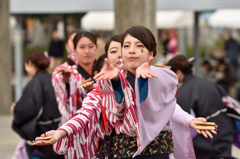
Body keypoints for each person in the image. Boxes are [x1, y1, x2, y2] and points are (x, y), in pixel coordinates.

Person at [34, 27, 216, 159]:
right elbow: (84, 113)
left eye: (138, 46)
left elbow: (169, 107)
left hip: (156, 151)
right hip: (120, 151)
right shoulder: (104, 84)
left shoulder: (158, 75)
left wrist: (190, 120)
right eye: (122, 47)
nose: (129, 51)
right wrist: (61, 132)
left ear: (151, 51)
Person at [167, 55, 235, 159]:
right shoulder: (210, 83)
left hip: (206, 140)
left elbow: (183, 124)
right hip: (225, 131)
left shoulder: (183, 92)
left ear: (179, 73)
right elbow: (229, 103)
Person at [12, 50, 64, 159]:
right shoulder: (53, 78)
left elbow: (25, 109)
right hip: (57, 130)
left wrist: (16, 109)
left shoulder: (35, 82)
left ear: (30, 63)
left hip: (42, 134)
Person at [51, 31, 97, 124]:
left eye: (91, 46)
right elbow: (64, 102)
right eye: (82, 47)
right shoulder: (67, 72)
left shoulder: (103, 71)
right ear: (74, 50)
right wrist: (67, 82)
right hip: (78, 125)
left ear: (96, 48)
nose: (87, 51)